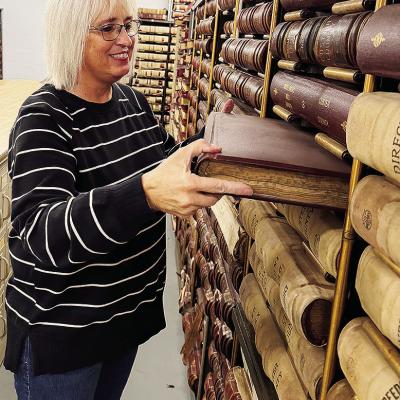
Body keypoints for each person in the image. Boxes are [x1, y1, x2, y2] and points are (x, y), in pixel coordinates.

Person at [4, 0, 252, 399]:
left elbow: (167, 162)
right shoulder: (44, 117)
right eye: (109, 29)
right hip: (66, 339)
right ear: (71, 36)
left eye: (129, 26)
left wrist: (219, 143)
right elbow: (39, 235)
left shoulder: (131, 103)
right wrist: (145, 195)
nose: (127, 40)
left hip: (121, 324)